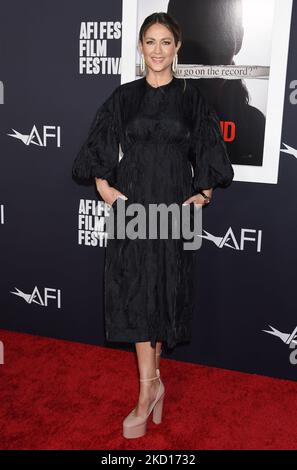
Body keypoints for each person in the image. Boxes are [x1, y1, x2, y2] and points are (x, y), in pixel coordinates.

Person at [72, 12, 234, 439]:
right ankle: (147, 393)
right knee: (136, 291)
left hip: (174, 208)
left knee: (164, 292)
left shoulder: (192, 98)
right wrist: (105, 188)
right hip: (135, 205)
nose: (158, 50)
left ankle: (154, 382)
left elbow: (209, 145)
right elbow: (100, 144)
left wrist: (206, 190)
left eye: (166, 42)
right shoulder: (124, 97)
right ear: (140, 48)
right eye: (150, 42)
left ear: (177, 48)